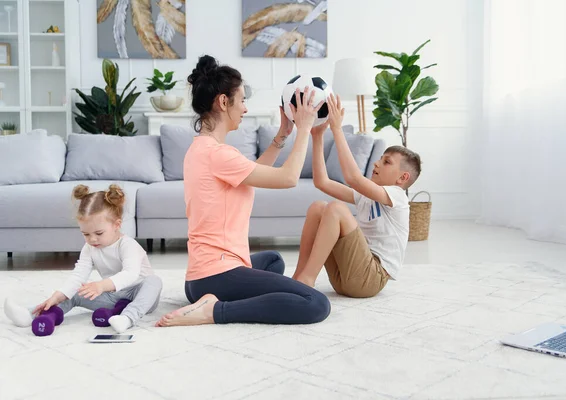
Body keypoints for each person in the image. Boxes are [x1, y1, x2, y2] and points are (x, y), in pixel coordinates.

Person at [156, 55, 330, 327]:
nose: (245, 109)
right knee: (316, 304)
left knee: (272, 261)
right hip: (217, 275)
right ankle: (215, 311)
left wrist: (284, 132)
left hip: (200, 276)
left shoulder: (202, 149)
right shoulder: (218, 155)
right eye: (242, 100)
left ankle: (209, 299)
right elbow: (288, 178)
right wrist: (304, 128)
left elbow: (253, 175)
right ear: (224, 102)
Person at [292, 94, 422, 298]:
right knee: (318, 207)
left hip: (371, 278)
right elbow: (322, 182)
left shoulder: (397, 197)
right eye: (380, 159)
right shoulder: (368, 196)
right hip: (345, 278)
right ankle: (299, 276)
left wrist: (336, 129)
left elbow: (352, 177)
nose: (377, 163)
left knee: (336, 208)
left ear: (402, 178)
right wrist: (317, 137)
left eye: (387, 162)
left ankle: (307, 280)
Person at [3, 184, 163, 335]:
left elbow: (130, 274)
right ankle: (31, 314)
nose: (92, 239)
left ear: (117, 225)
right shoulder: (89, 248)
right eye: (86, 234)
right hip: (113, 297)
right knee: (76, 292)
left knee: (154, 281)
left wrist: (101, 285)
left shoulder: (128, 245)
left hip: (141, 296)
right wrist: (58, 295)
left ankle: (127, 318)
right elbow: (78, 275)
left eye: (99, 233)